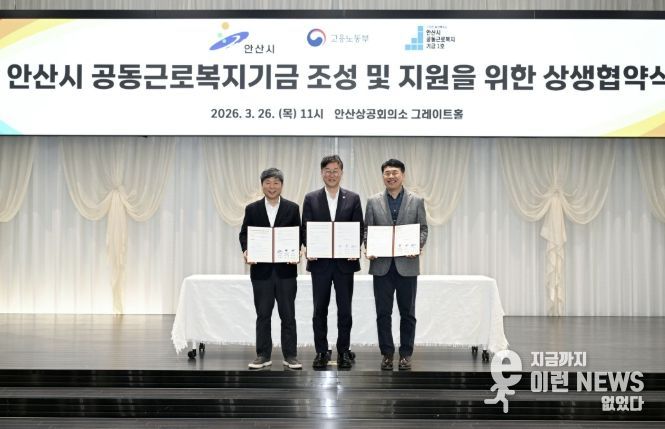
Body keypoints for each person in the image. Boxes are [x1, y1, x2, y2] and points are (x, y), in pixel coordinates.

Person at [364, 159, 428, 371]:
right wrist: (369, 246)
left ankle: (406, 354)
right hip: (381, 266)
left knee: (407, 313)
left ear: (403, 175)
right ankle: (387, 353)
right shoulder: (373, 201)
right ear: (383, 176)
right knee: (383, 313)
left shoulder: (416, 200)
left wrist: (417, 245)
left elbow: (423, 229)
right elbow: (367, 230)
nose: (391, 176)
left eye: (395, 172)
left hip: (407, 265)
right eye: (387, 173)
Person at [302, 155, 363, 369]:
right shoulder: (311, 198)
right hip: (320, 264)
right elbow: (305, 228)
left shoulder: (353, 198)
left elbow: (359, 228)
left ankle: (344, 350)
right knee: (319, 310)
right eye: (327, 170)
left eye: (335, 170)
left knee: (345, 310)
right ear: (322, 173)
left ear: (341, 173)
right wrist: (309, 247)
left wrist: (354, 248)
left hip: (345, 264)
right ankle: (321, 351)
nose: (331, 174)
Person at [239, 168, 302, 370]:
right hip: (261, 272)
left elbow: (299, 234)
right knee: (263, 315)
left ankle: (290, 356)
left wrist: (296, 251)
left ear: (282, 185)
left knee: (288, 315)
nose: (272, 187)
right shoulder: (252, 209)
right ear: (262, 185)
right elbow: (244, 234)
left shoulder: (292, 208)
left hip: (286, 272)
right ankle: (263, 355)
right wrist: (246, 250)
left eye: (276, 183)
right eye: (268, 182)